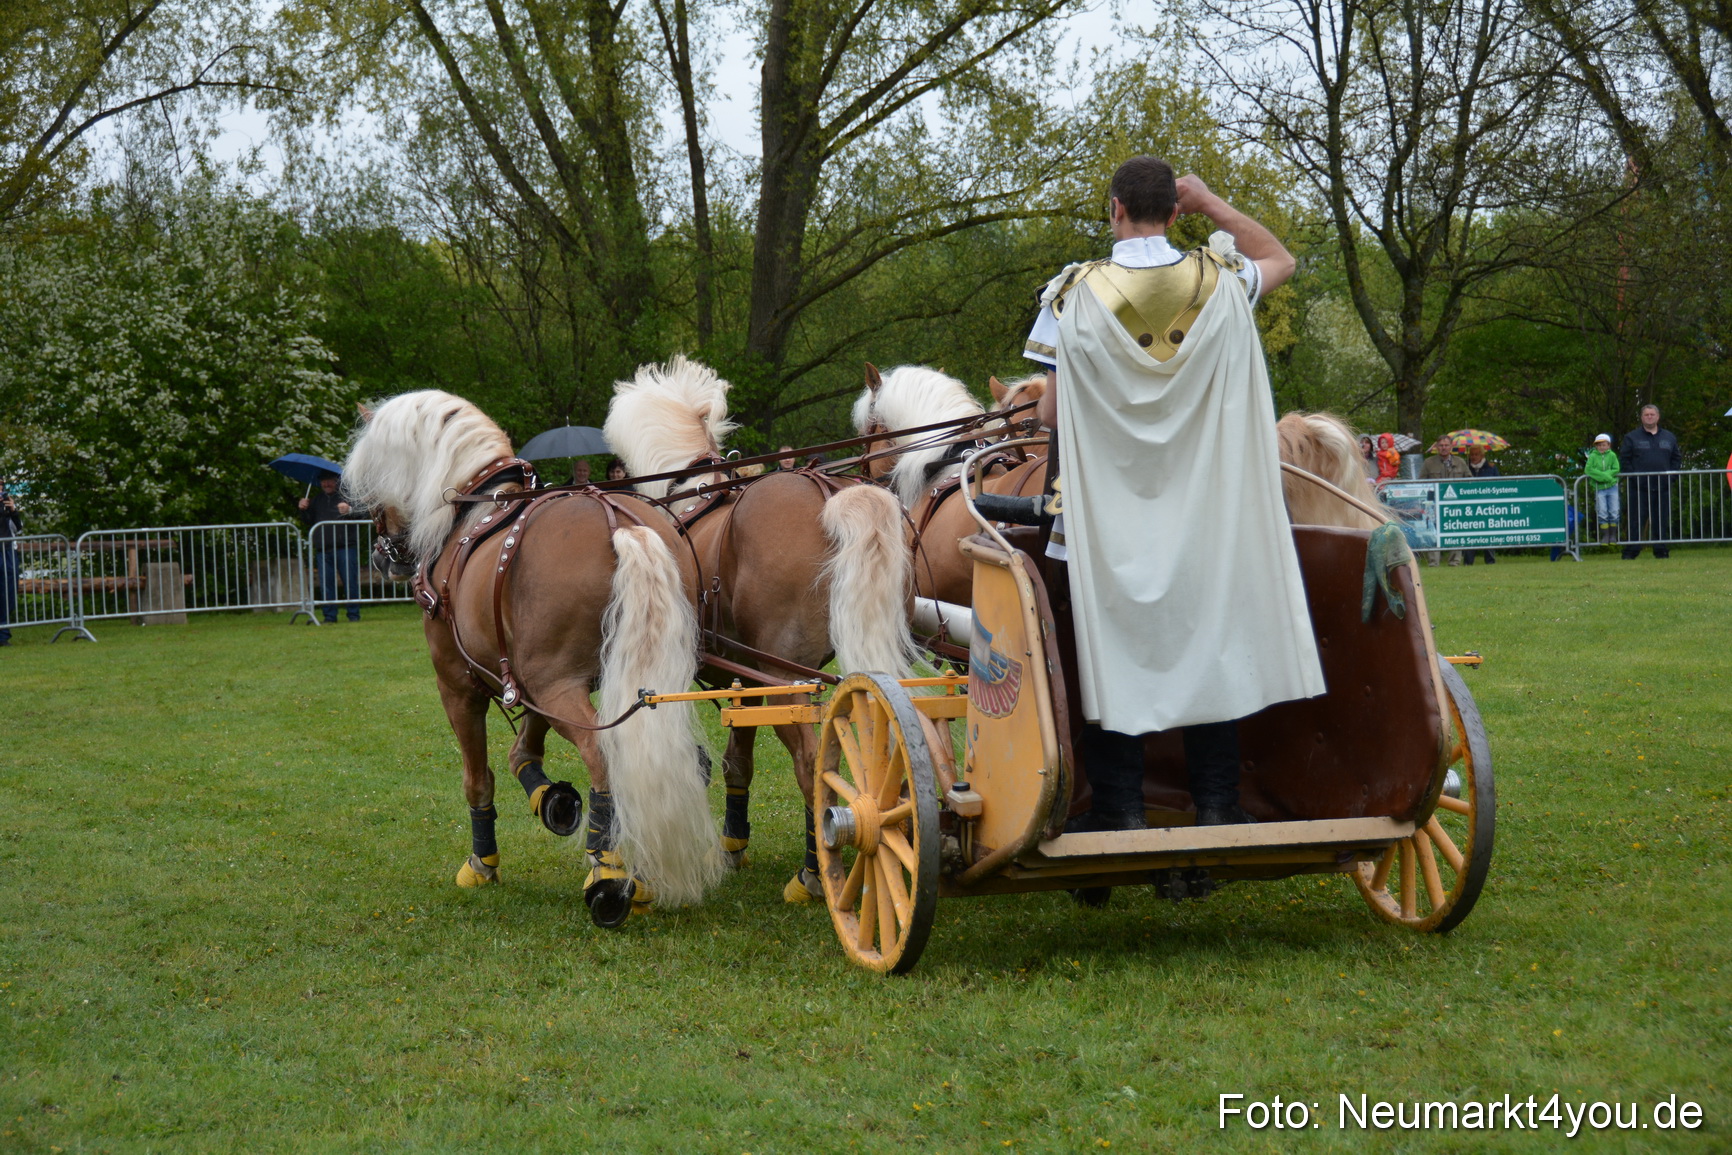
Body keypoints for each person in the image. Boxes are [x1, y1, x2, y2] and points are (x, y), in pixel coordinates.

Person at [1025, 156, 1322, 831]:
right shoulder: (1222, 281)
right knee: (1207, 646)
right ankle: (1218, 803)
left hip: (1110, 520)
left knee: (1115, 653)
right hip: (1209, 518)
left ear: (1114, 208)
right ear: (1177, 211)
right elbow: (1280, 258)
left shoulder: (1071, 296)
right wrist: (1216, 202)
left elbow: (1049, 417)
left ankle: (1120, 809)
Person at [298, 471, 364, 623]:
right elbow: (308, 520)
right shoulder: (316, 500)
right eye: (323, 481)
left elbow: (363, 514)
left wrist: (350, 510)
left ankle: (353, 615)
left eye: (330, 481)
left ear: (337, 481)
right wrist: (303, 509)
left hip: (345, 547)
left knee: (350, 582)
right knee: (326, 585)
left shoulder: (348, 498)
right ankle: (329, 616)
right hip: (323, 549)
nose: (326, 484)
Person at [1619, 404, 1681, 559]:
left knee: (1661, 520)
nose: (1649, 417)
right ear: (1641, 417)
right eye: (1646, 415)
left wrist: (1671, 478)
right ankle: (1631, 552)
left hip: (1662, 487)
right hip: (1638, 488)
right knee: (1636, 521)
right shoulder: (1631, 437)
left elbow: (1676, 459)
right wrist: (1634, 478)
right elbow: (1625, 460)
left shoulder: (1669, 437)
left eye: (1652, 414)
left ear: (1658, 417)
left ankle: (1661, 550)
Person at [1419, 438, 1468, 566]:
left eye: (1446, 445)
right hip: (1433, 504)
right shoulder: (1428, 463)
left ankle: (1454, 561)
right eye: (1441, 445)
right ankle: (1433, 562)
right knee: (1432, 531)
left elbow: (1469, 482)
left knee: (1456, 529)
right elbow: (1420, 483)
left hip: (1455, 503)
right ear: (1436, 447)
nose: (1444, 448)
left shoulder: (1460, 462)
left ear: (1451, 446)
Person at [1462, 444, 1499, 564]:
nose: (1474, 457)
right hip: (1469, 507)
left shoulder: (1491, 468)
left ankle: (1490, 560)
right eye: (1472, 454)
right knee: (1469, 534)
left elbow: (1499, 485)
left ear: (1482, 455)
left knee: (1489, 534)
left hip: (1488, 506)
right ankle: (1468, 561)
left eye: (1476, 454)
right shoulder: (1465, 468)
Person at [1584, 433, 1620, 546]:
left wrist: (1606, 476)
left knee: (1614, 511)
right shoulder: (1593, 456)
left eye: (1604, 445)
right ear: (1596, 446)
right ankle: (1605, 535)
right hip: (1599, 488)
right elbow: (1588, 470)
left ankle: (1613, 535)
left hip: (1612, 487)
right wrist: (1605, 476)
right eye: (1599, 445)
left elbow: (1616, 468)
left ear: (1608, 445)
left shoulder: (1612, 455)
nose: (1601, 447)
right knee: (1602, 511)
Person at [0, 485, 21, 646]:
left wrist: (13, 510)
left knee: (8, 593)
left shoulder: (6, 507)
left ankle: (3, 634)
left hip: (7, 550)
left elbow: (18, 529)